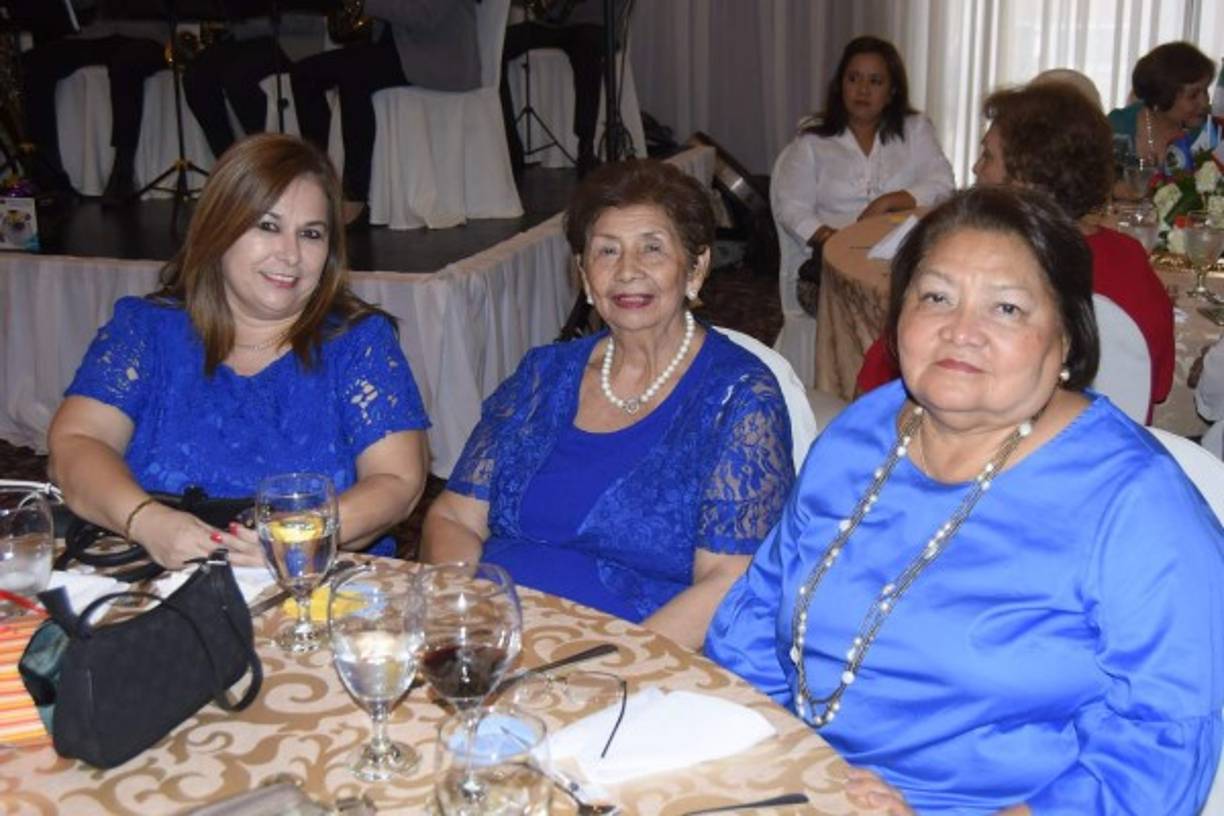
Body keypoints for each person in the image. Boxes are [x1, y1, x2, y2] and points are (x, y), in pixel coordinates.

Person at [706, 186, 1223, 815]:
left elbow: (1164, 737)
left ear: (1065, 339)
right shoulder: (861, 435)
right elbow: (758, 611)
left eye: (1006, 308)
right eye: (936, 297)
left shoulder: (1137, 505)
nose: (960, 331)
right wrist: (778, 762)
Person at [422, 159, 795, 649]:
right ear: (583, 273)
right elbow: (453, 517)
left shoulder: (738, 397)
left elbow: (727, 581)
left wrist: (610, 669)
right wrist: (461, 617)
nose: (627, 272)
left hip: (633, 663)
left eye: (653, 249)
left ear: (696, 267)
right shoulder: (543, 374)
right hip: (492, 642)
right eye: (607, 251)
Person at [47, 134, 430, 568]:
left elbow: (398, 480)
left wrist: (295, 538)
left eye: (311, 234)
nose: (290, 255)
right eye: (267, 226)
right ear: (219, 227)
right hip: (154, 578)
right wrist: (146, 522)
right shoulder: (146, 330)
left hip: (310, 591)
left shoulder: (358, 343)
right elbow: (77, 442)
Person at [857, 82, 1175, 422]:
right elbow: (1158, 386)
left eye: (988, 157)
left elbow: (873, 393)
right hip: (1105, 448)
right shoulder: (1130, 258)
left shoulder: (967, 266)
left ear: (1028, 180)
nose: (976, 169)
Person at [289, 0, 480, 228]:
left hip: (439, 56)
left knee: (355, 77)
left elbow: (427, 14)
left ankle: (356, 195)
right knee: (304, 74)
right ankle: (318, 178)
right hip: (402, 50)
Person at [771, 35, 954, 270]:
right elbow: (791, 208)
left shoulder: (916, 128)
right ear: (840, 86)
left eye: (875, 81)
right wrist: (830, 237)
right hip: (833, 254)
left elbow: (943, 184)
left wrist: (889, 201)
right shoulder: (812, 139)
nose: (863, 90)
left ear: (892, 92)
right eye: (853, 79)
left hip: (903, 252)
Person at [19, 0, 165, 203]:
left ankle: (123, 170)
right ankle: (47, 171)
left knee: (126, 66)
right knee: (34, 64)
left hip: (145, 36)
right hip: (92, 35)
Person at [499, 0, 624, 179]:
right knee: (497, 44)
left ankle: (586, 147)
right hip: (558, 25)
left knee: (587, 50)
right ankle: (510, 146)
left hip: (595, 24)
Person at [182, 6, 291, 162]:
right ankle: (229, 162)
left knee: (239, 77)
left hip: (275, 34)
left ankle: (267, 160)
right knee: (196, 76)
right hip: (240, 36)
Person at [1108, 41, 1214, 169]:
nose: (1204, 102)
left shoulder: (1210, 133)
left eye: (1206, 91)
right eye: (1193, 95)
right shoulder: (1118, 127)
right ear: (1162, 96)